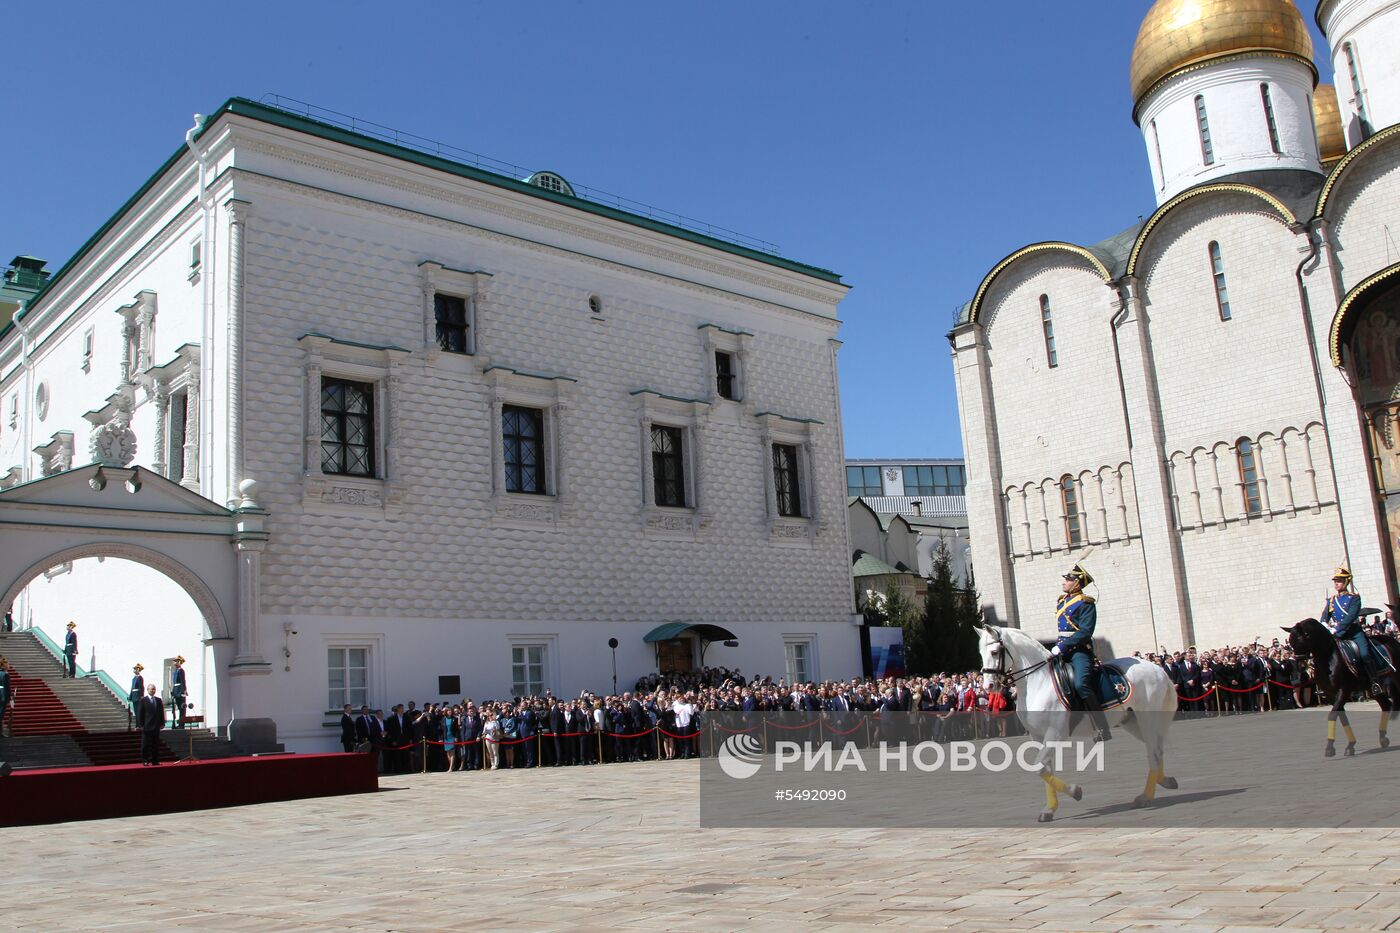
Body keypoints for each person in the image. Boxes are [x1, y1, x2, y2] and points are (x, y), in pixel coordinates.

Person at [1050, 564, 1111, 742]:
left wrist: (1064, 646)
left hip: (1079, 651)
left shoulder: (1086, 603)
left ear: (1076, 584)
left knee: (1080, 684)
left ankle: (1102, 727)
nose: (1064, 582)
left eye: (1067, 580)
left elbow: (1085, 632)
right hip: (1061, 648)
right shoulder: (1062, 601)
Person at [1323, 566, 1395, 692]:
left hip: (1354, 633)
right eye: (1335, 581)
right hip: (1339, 635)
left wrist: (1337, 628)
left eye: (1339, 581)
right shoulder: (1332, 600)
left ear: (1346, 582)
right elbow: (1324, 616)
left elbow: (1351, 616)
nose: (1336, 584)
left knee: (1365, 654)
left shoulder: (1354, 598)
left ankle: (1374, 681)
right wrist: (1324, 625)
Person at [136, 683, 165, 765]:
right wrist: (140, 725)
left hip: (156, 726)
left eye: (154, 689)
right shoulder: (143, 700)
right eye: (152, 689)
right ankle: (145, 760)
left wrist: (162, 723)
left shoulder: (158, 700)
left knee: (155, 745)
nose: (153, 690)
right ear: (148, 690)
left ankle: (155, 761)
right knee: (145, 745)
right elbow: (140, 713)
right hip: (147, 726)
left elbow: (161, 713)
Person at [169, 655, 188, 728]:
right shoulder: (175, 671)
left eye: (176, 661)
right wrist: (173, 692)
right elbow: (174, 684)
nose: (174, 663)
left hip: (180, 692)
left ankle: (181, 724)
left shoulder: (181, 670)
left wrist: (184, 691)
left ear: (179, 662)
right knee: (179, 708)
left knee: (182, 708)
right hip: (176, 692)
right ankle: (179, 723)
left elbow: (183, 681)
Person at [128, 664, 145, 731]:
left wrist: (141, 695)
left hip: (138, 696)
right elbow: (132, 688)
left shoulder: (140, 678)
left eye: (135, 669)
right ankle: (137, 724)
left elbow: (141, 687)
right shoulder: (134, 678)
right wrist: (130, 697)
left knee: (138, 711)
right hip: (134, 696)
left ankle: (139, 724)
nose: (134, 670)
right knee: (136, 711)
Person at [0, 656, 13, 738]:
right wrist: (8, 698)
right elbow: (6, 687)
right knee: (1, 714)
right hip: (2, 697)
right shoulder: (5, 675)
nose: (9, 665)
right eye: (7, 664)